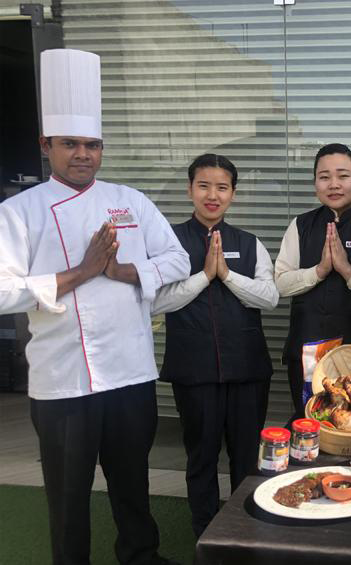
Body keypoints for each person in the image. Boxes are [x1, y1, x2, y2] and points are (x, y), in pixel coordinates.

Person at [0, 49, 189, 565]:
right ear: (46, 145)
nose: (82, 154)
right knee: (68, 495)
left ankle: (141, 556)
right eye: (70, 144)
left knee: (132, 484)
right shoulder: (19, 212)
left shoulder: (130, 200)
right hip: (63, 382)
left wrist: (123, 270)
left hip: (130, 373)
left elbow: (177, 258)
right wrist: (80, 272)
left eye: (92, 144)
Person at [151, 154, 279, 537]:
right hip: (194, 371)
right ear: (189, 189)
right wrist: (205, 276)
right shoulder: (169, 242)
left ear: (233, 194)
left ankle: (246, 534)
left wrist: (227, 275)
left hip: (247, 370)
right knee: (201, 458)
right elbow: (156, 301)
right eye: (204, 185)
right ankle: (205, 536)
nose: (213, 195)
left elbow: (270, 297)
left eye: (222, 187)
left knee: (247, 460)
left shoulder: (249, 243)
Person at [274, 143, 351, 420]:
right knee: (309, 420)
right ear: (315, 183)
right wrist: (319, 271)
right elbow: (280, 284)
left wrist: (346, 270)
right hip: (307, 351)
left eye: (343, 176)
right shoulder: (301, 225)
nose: (334, 184)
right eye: (324, 177)